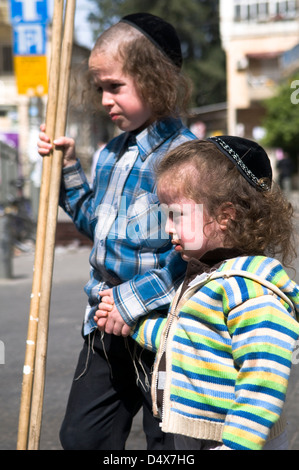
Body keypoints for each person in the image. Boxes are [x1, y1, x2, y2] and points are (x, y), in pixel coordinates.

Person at [37, 13, 195, 450]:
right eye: (100, 89)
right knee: (82, 437)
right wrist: (69, 169)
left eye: (116, 86)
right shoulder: (110, 154)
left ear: (156, 80)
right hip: (105, 326)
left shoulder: (186, 160)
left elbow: (193, 257)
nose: (106, 100)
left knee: (169, 443)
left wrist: (130, 301)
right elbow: (98, 226)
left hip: (163, 330)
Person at [96, 136, 299, 450]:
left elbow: (263, 378)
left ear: (224, 215)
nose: (167, 229)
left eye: (176, 215)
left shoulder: (248, 291)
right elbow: (184, 338)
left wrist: (236, 445)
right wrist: (132, 324)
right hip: (199, 435)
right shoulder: (205, 276)